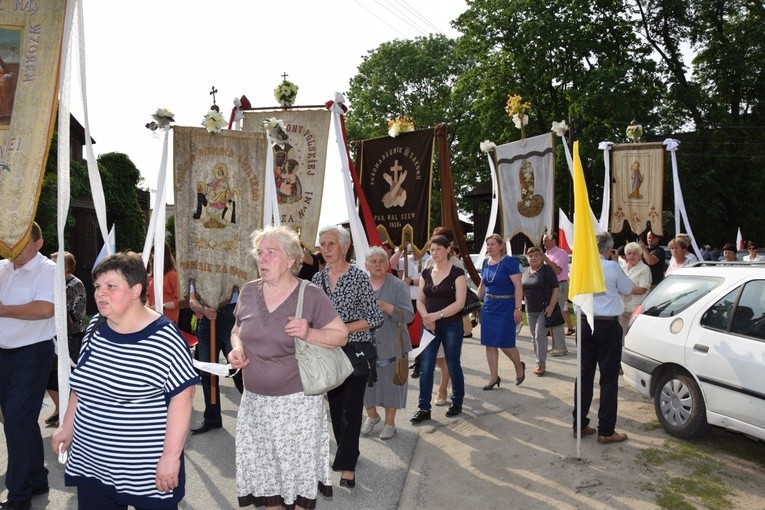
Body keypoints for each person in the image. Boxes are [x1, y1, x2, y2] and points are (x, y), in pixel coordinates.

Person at [52, 252, 198, 509]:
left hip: (144, 471)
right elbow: (82, 384)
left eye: (111, 286)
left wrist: (170, 458)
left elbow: (182, 398)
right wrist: (67, 426)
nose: (100, 293)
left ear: (135, 290)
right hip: (92, 463)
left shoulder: (164, 338)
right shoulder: (97, 325)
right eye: (97, 286)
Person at [227, 226, 347, 509]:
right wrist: (237, 348)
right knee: (269, 483)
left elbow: (341, 335)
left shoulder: (311, 294)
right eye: (260, 252)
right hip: (255, 405)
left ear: (292, 259)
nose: (262, 258)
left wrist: (309, 333)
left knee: (293, 484)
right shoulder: (247, 291)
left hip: (297, 408)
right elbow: (237, 329)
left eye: (271, 252)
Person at [312, 225, 383, 488]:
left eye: (331, 244)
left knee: (351, 411)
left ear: (345, 247)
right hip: (327, 353)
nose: (326, 249)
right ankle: (349, 452)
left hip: (354, 351)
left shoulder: (358, 277)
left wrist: (343, 328)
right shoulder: (316, 281)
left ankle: (347, 468)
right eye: (322, 244)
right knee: (335, 408)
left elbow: (375, 318)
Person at [0, 222, 56, 510]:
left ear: (38, 242)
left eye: (21, 242)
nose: (14, 248)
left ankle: (19, 497)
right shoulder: (3, 268)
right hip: (4, 354)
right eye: (11, 241)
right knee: (19, 421)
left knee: (17, 423)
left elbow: (45, 308)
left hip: (32, 355)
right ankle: (36, 478)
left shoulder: (48, 270)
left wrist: (3, 309)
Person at [573, 232, 634, 444]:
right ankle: (606, 430)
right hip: (606, 324)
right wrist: (615, 263)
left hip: (584, 321)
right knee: (608, 379)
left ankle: (579, 424)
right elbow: (628, 289)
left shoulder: (579, 266)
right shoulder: (611, 266)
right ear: (608, 250)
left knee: (584, 375)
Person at [411, 234, 467, 422]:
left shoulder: (457, 273)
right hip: (429, 326)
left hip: (451, 324)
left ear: (448, 250)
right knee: (426, 367)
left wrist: (437, 315)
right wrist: (427, 317)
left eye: (438, 249)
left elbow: (460, 303)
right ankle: (423, 408)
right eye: (431, 250)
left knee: (452, 363)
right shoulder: (426, 273)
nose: (434, 253)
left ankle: (457, 401)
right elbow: (420, 299)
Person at [360, 247, 413, 440]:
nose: (377, 265)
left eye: (381, 261)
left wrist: (388, 308)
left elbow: (408, 315)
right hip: (365, 346)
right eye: (373, 262)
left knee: (392, 385)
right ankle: (372, 416)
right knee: (365, 386)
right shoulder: (361, 285)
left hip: (393, 345)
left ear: (387, 264)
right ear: (366, 265)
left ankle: (390, 423)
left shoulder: (397, 285)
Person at [188, 282, 244, 434]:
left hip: (230, 317)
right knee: (207, 371)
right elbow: (192, 301)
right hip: (206, 321)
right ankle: (212, 418)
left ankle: (256, 414)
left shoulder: (231, 263)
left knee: (237, 368)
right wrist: (203, 309)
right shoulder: (198, 270)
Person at [475, 234, 525, 390]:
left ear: (501, 245)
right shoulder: (485, 263)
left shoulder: (509, 262)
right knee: (490, 344)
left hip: (506, 306)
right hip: (489, 306)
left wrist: (518, 308)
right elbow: (482, 285)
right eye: (488, 244)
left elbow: (518, 286)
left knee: (505, 343)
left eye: (492, 244)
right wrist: (476, 303)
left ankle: (519, 366)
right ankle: (493, 377)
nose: (489, 247)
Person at [45, 251, 87, 428]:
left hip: (71, 336)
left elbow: (68, 313)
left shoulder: (74, 284)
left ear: (67, 267)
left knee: (69, 374)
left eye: (55, 264)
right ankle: (59, 408)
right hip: (54, 335)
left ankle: (71, 415)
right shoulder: (52, 283)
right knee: (50, 374)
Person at [521, 247, 563, 376]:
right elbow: (522, 290)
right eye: (530, 256)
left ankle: (541, 364)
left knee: (540, 336)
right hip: (530, 309)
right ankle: (538, 361)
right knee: (534, 338)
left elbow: (556, 289)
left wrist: (551, 306)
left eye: (536, 255)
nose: (533, 258)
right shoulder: (526, 271)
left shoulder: (547, 270)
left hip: (544, 309)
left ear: (541, 257)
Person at [389, 244, 429, 378]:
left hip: (422, 301)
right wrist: (400, 249)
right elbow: (391, 264)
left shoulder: (429, 260)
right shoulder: (407, 259)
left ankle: (419, 364)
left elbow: (427, 281)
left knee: (420, 334)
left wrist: (410, 281)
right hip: (407, 301)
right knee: (407, 333)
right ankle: (413, 359)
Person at [542, 232, 575, 340]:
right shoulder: (546, 254)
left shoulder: (561, 253)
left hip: (559, 286)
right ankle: (555, 344)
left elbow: (557, 271)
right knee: (550, 313)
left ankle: (560, 346)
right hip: (548, 287)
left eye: (546, 240)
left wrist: (546, 260)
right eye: (543, 241)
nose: (543, 243)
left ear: (553, 241)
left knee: (557, 314)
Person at [619, 242, 652, 338]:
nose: (632, 256)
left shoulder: (645, 269)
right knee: (620, 337)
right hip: (621, 309)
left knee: (632, 337)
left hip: (635, 310)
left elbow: (642, 290)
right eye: (629, 253)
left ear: (640, 255)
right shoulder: (622, 268)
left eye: (635, 253)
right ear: (625, 255)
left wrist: (624, 289)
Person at [147, 242, 180, 324]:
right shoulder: (151, 276)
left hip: (167, 319)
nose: (153, 256)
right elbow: (147, 295)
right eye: (152, 253)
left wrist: (160, 306)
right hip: (152, 318)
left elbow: (179, 301)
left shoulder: (173, 275)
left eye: (155, 253)